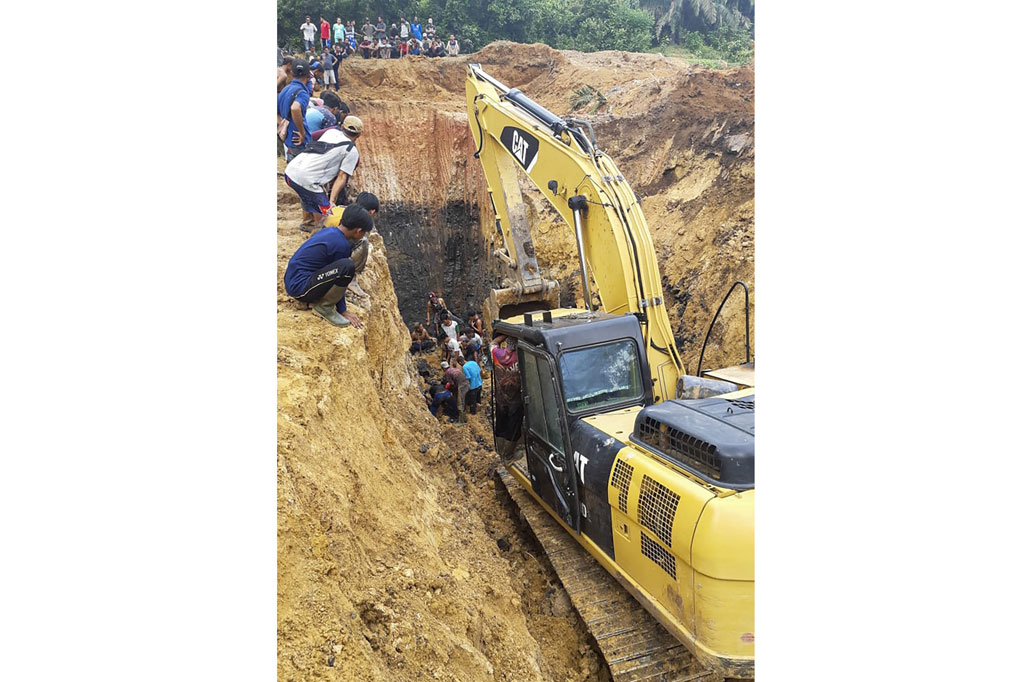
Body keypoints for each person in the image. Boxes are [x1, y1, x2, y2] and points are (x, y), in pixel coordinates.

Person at [283, 204, 374, 328]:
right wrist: (343, 310)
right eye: (364, 233)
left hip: (294, 280)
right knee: (347, 266)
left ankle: (318, 300)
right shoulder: (340, 245)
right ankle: (324, 308)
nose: (363, 236)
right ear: (358, 230)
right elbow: (341, 275)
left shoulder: (330, 231)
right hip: (300, 288)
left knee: (343, 266)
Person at [283, 115, 363, 232]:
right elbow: (342, 177)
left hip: (290, 172)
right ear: (359, 135)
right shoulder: (351, 151)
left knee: (308, 195)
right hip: (307, 179)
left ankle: (308, 224)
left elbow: (315, 139)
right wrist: (331, 201)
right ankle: (320, 232)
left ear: (341, 127)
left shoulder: (330, 133)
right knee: (326, 214)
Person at [319, 191, 377, 298]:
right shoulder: (357, 219)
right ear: (372, 212)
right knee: (363, 242)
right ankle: (351, 279)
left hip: (321, 239)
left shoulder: (343, 209)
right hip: (330, 250)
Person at [278, 59, 311, 161]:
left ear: (292, 73)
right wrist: (302, 132)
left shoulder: (285, 90)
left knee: (292, 169)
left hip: (288, 140)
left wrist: (282, 126)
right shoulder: (302, 93)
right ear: (309, 75)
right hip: (299, 142)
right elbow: (295, 108)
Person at [452, 357, 472, 422]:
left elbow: (468, 377)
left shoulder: (464, 367)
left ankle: (463, 413)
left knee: (462, 399)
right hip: (477, 383)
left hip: (470, 385)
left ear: (460, 363)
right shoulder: (472, 362)